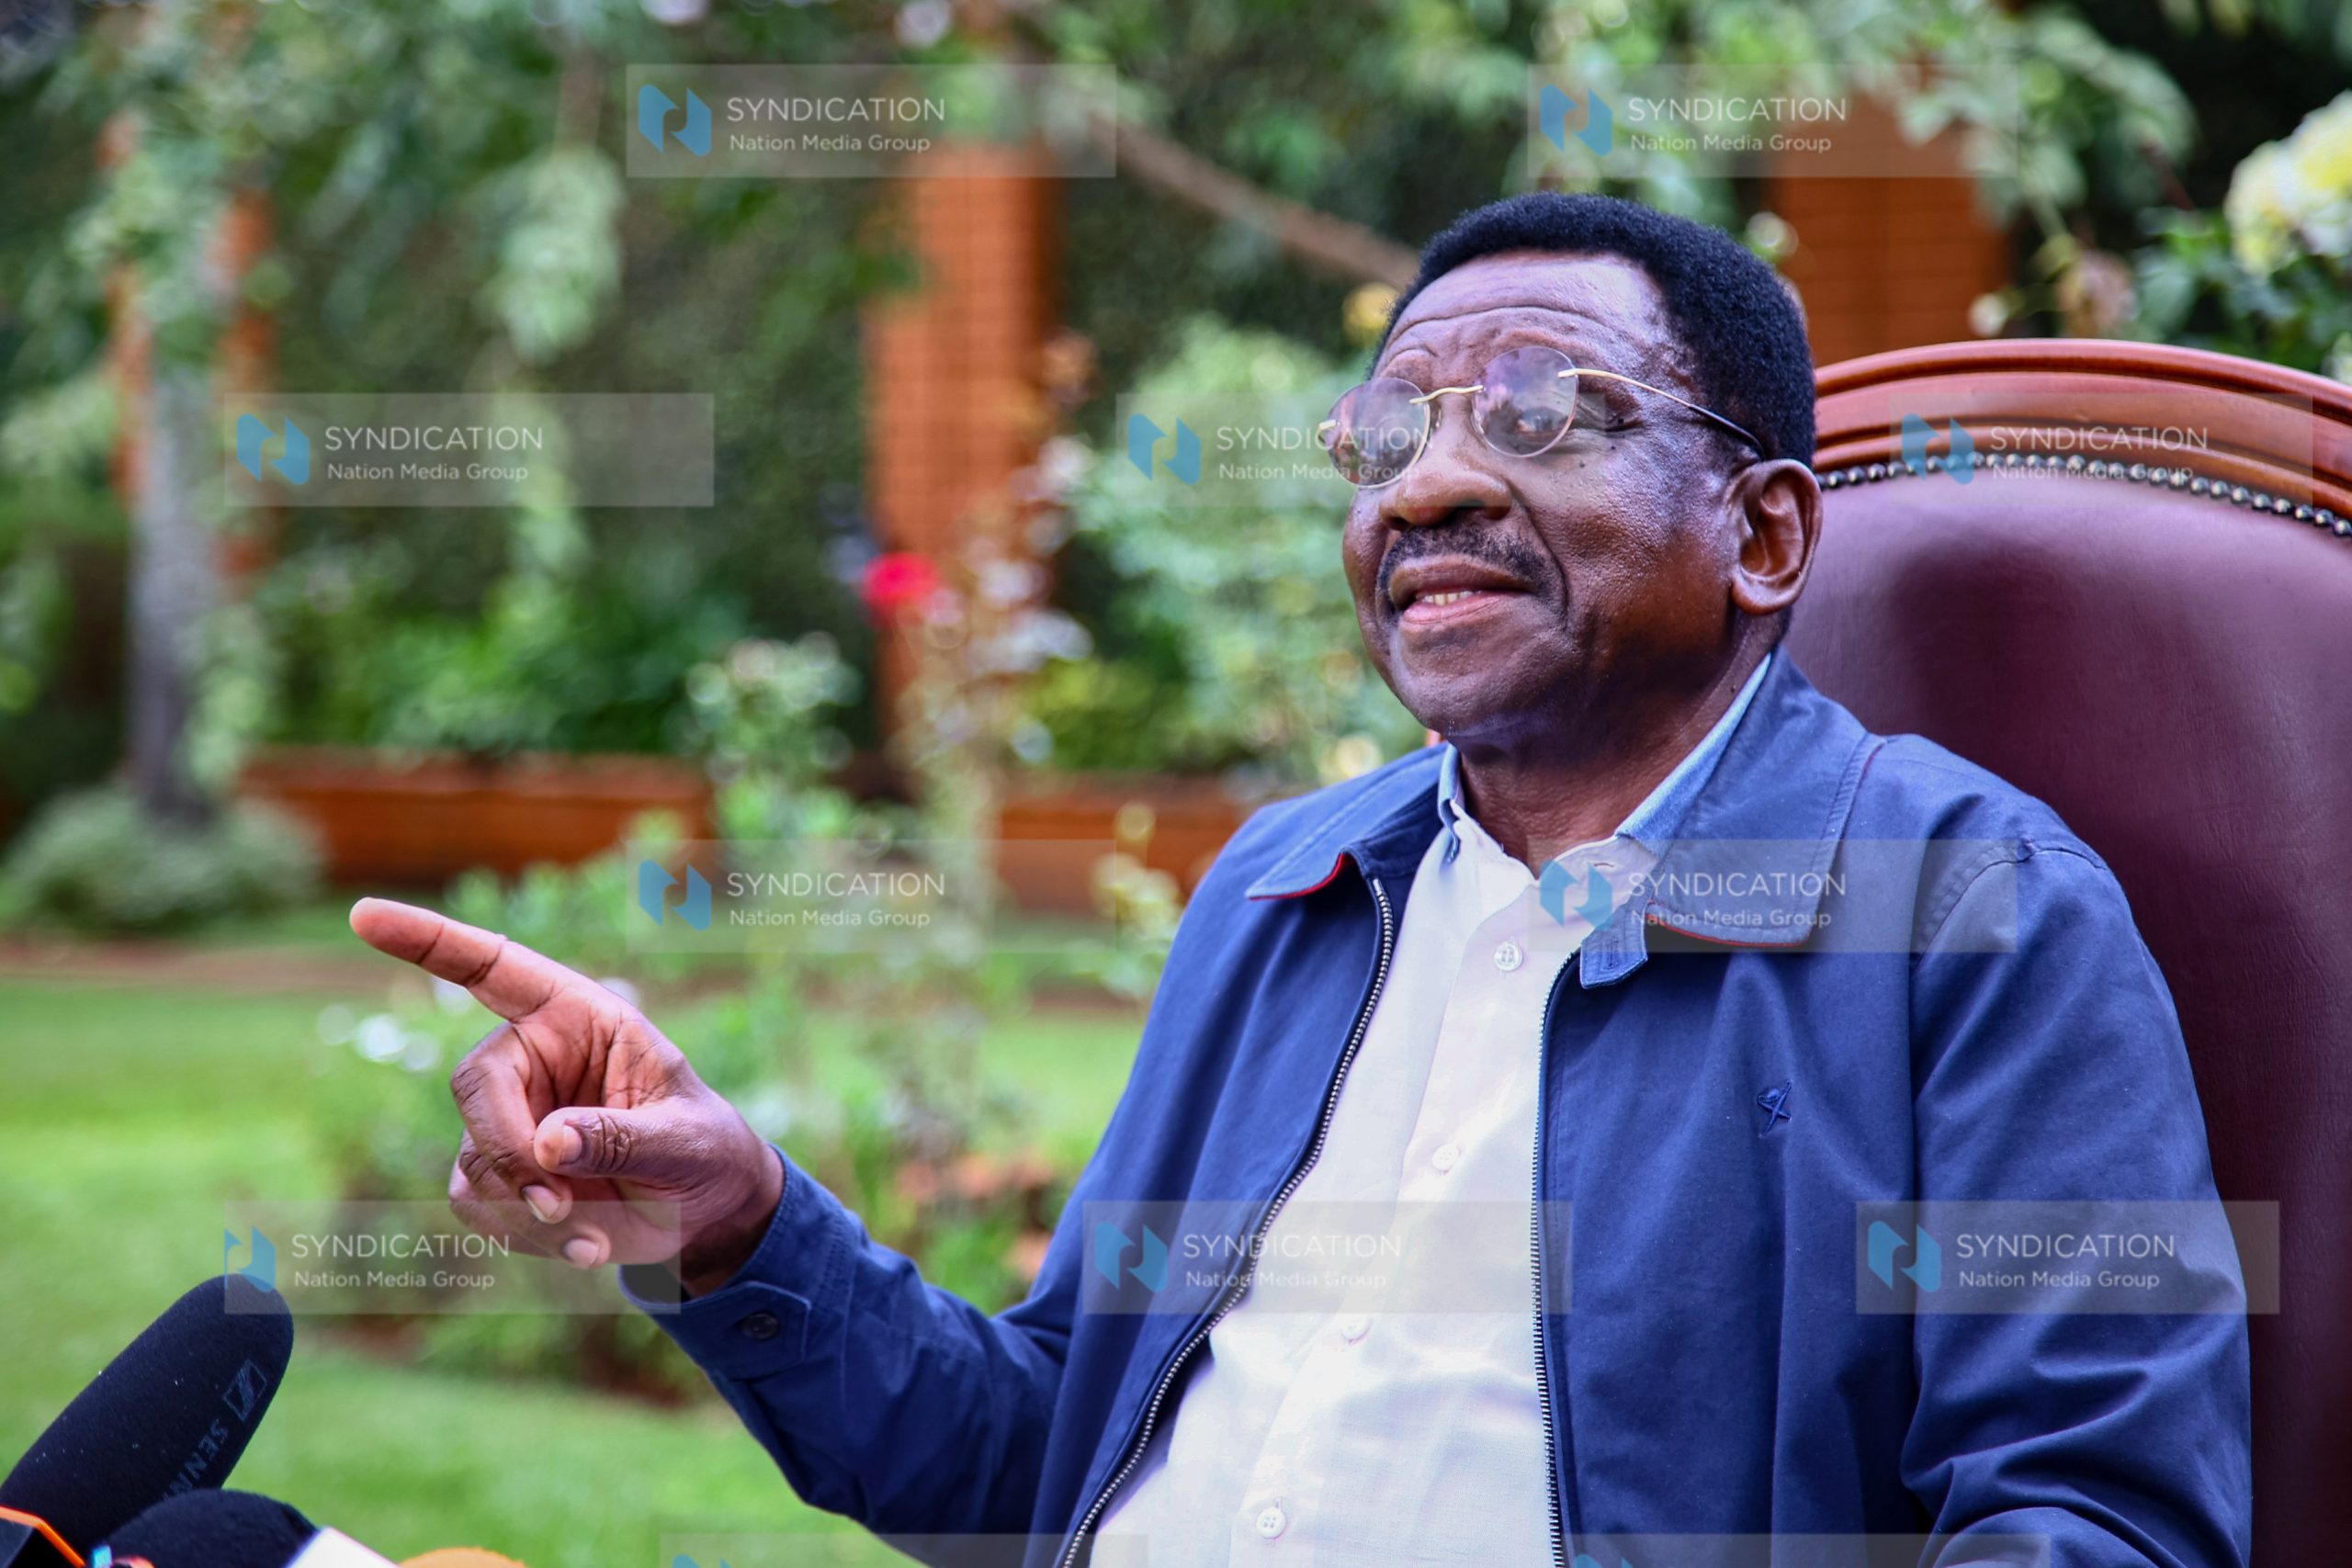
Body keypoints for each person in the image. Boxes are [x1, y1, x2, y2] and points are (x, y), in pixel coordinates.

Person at [351, 193, 2251, 1568]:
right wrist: (738, 1218)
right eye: (1384, 436)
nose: (1418, 488)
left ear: (1757, 532)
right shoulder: (1288, 887)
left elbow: (2096, 1526)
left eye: (1531, 414)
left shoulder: (1969, 903)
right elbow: (1039, 1467)